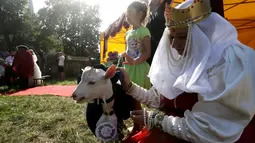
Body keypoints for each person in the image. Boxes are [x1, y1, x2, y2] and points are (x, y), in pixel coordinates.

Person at [118, 0, 255, 143]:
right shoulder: (182, 59)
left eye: (183, 37)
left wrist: (154, 119)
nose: (174, 45)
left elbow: (208, 130)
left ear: (205, 33)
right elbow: (159, 99)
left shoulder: (228, 61)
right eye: (171, 37)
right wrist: (129, 86)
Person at [121, 1, 152, 135]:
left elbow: (147, 52)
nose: (127, 14)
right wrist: (123, 58)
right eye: (126, 12)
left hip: (139, 68)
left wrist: (135, 61)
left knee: (138, 98)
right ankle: (138, 124)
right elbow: (128, 51)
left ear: (140, 14)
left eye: (130, 12)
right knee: (130, 97)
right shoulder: (128, 33)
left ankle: (141, 125)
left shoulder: (144, 31)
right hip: (130, 68)